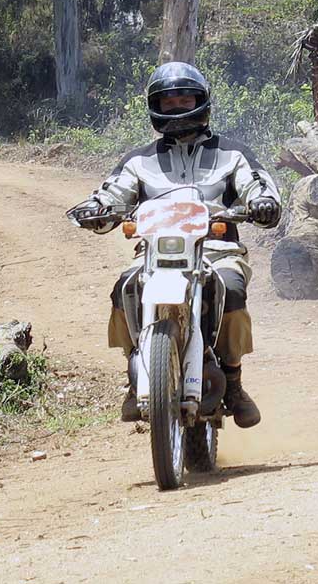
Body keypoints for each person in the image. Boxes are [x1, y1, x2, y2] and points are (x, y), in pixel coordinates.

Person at [69, 62, 282, 428]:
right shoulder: (139, 161)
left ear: (201, 101)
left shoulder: (233, 154)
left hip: (217, 251)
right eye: (168, 100)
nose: (177, 106)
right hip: (155, 254)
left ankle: (233, 381)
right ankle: (134, 369)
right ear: (156, 106)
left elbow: (259, 186)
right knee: (124, 290)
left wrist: (263, 203)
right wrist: (95, 209)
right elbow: (111, 193)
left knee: (231, 290)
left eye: (185, 98)